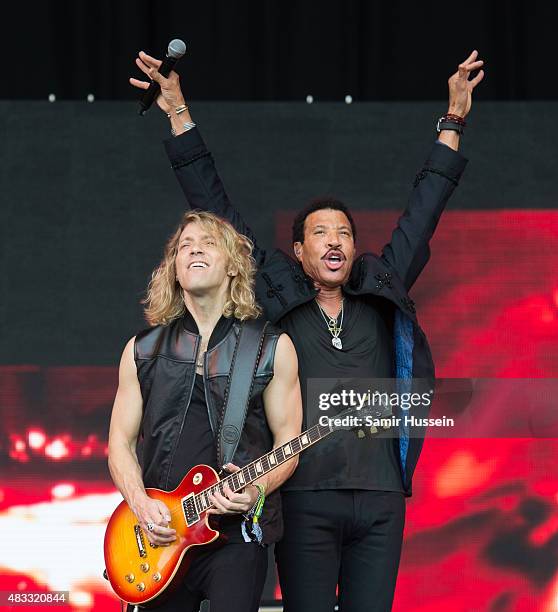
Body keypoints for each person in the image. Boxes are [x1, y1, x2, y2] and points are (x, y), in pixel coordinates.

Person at [130, 50, 484, 611]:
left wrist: (453, 122)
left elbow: (424, 212)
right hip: (302, 498)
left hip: (380, 495)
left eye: (344, 232)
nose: (335, 241)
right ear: (299, 251)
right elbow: (214, 208)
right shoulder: (278, 298)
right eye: (320, 233)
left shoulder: (380, 292)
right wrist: (179, 117)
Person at [107, 210, 302, 612]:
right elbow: (120, 445)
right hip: (159, 538)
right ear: (175, 272)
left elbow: (290, 443)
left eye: (208, 242)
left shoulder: (270, 347)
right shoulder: (141, 350)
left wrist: (256, 490)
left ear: (233, 266)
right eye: (184, 246)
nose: (194, 249)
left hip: (235, 535)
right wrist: (141, 505)